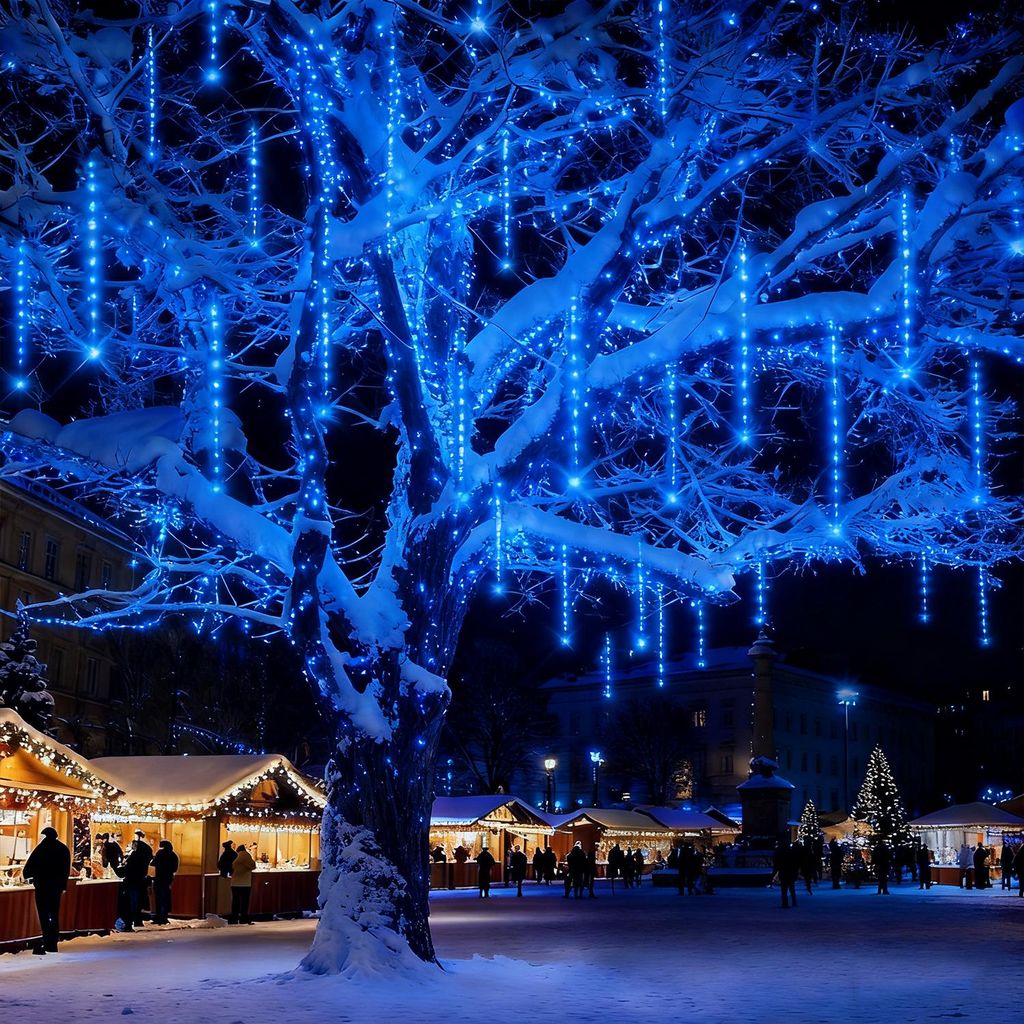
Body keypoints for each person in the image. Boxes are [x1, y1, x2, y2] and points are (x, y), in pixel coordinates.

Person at [22, 827, 71, 954]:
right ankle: (53, 942)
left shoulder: (41, 848)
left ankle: (47, 941)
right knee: (53, 914)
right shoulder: (63, 849)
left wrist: (29, 876)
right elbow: (66, 869)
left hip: (43, 886)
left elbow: (29, 868)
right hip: (56, 888)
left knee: (44, 914)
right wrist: (62, 886)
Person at [122, 834, 153, 929]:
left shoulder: (135, 856)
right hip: (140, 881)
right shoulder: (145, 856)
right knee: (138, 902)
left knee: (132, 901)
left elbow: (127, 868)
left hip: (132, 881)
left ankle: (130, 921)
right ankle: (138, 920)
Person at [151, 840, 179, 925]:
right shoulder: (173, 855)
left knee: (159, 898)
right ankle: (164, 916)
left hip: (159, 878)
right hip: (168, 879)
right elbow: (175, 868)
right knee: (165, 897)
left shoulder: (160, 853)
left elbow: (153, 863)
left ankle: (159, 917)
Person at [229, 843, 256, 923]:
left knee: (235, 901)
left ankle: (234, 917)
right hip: (246, 883)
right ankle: (243, 918)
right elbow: (253, 866)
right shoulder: (248, 857)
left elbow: (232, 867)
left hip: (235, 883)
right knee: (245, 902)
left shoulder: (236, 858)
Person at [774, 839, 798, 909]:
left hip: (784, 872)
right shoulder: (791, 852)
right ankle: (793, 902)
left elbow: (777, 862)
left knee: (784, 889)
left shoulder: (780, 853)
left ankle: (785, 903)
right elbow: (794, 863)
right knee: (791, 888)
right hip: (789, 872)